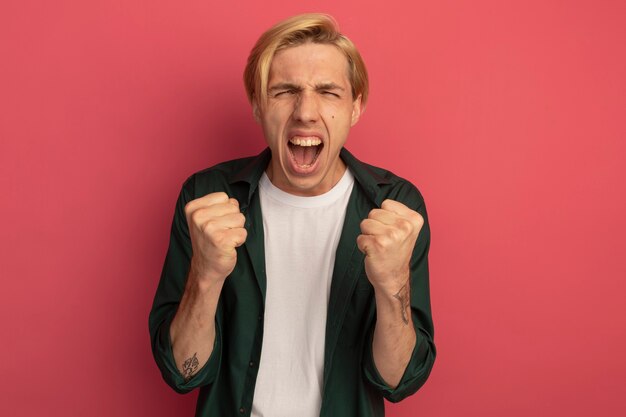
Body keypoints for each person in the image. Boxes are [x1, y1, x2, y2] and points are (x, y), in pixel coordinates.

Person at [149, 13, 435, 417]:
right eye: (284, 91)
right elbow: (183, 372)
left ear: (356, 107)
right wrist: (206, 275)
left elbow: (397, 381)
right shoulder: (206, 199)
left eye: (328, 92)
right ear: (257, 105)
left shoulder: (396, 209)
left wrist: (392, 288)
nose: (305, 112)